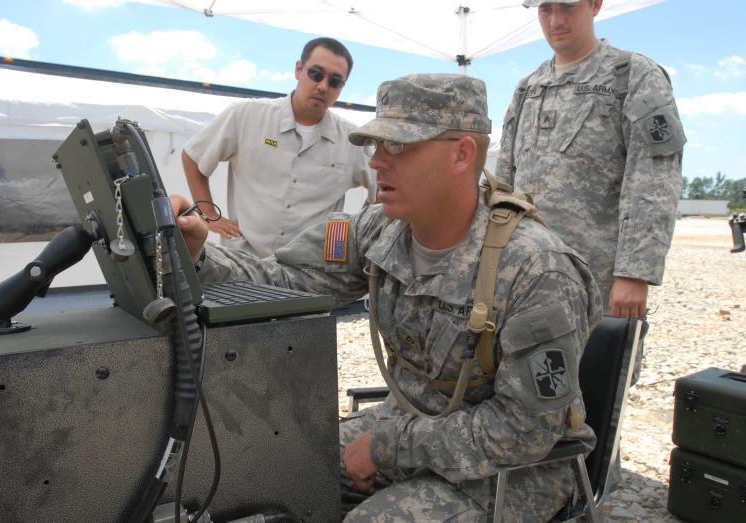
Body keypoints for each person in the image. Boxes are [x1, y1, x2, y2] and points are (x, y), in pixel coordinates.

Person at [172, 73, 601, 522]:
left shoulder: (536, 267)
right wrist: (200, 255)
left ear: (461, 154)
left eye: (398, 147)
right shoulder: (377, 229)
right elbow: (286, 281)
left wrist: (388, 446)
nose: (376, 163)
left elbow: (526, 430)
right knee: (264, 475)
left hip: (508, 471)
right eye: (376, 146)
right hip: (406, 425)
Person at [496, 0, 685, 318]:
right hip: (524, 275)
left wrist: (634, 272)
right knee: (528, 367)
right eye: (545, 9)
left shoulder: (633, 76)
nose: (556, 19)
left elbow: (654, 178)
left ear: (595, 5)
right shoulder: (528, 88)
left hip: (599, 280)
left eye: (568, 6)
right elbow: (504, 182)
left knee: (601, 367)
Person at [182, 37, 376, 258]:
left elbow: (382, 190)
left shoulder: (352, 141)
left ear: (342, 87)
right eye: (316, 74)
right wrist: (209, 216)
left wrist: (352, 237)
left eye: (334, 81)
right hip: (242, 263)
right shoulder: (246, 116)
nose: (323, 86)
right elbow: (194, 156)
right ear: (298, 69)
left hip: (309, 274)